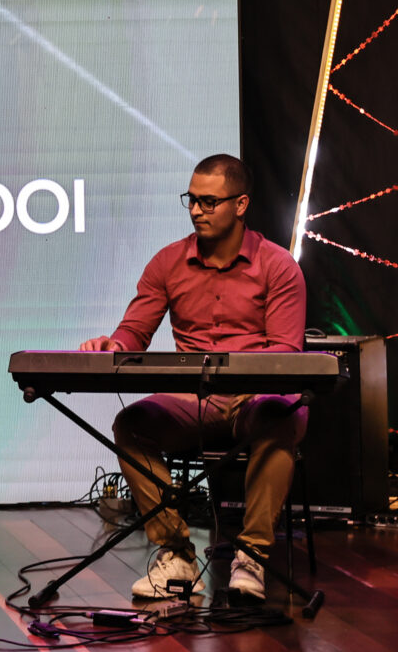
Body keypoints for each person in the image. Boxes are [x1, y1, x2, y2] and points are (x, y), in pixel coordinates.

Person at [80, 154, 307, 601]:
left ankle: (251, 557)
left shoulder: (278, 266)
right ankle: (177, 555)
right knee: (132, 425)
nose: (197, 210)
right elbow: (135, 331)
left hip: (254, 398)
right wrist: (115, 344)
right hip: (193, 400)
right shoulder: (168, 262)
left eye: (209, 201)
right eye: (192, 199)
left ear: (240, 204)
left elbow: (285, 354)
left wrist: (244, 379)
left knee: (281, 414)